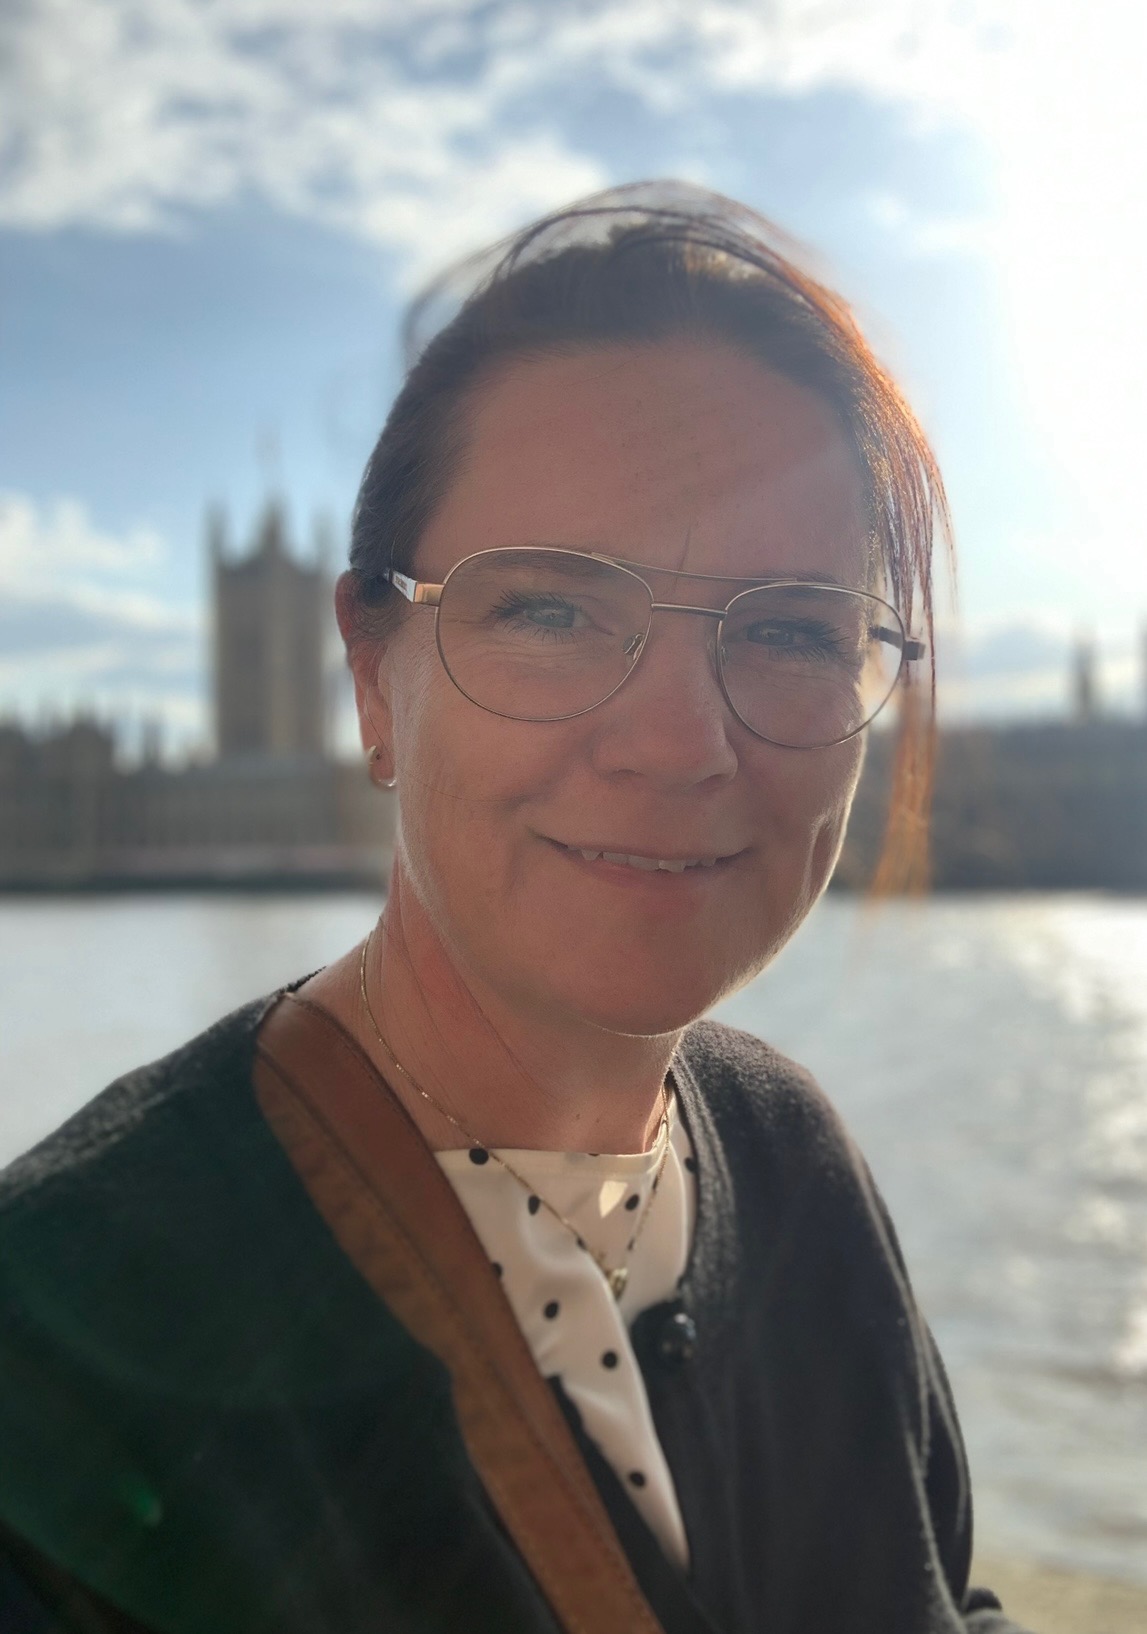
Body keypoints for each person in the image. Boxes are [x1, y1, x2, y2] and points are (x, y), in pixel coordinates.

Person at [0, 183, 1032, 1634]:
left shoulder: (795, 1167)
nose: (677, 743)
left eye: (794, 629)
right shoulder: (59, 1338)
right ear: (373, 673)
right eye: (549, 609)